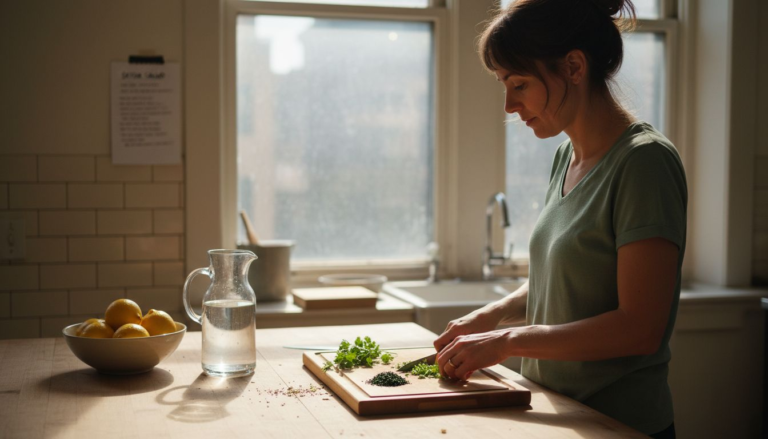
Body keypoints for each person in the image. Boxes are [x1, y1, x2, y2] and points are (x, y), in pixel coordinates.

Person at [433, 0, 687, 438]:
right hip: (557, 412)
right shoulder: (566, 158)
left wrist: (509, 341)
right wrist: (493, 315)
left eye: (520, 84)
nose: (510, 105)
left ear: (573, 67)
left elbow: (640, 328)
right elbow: (567, 279)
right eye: (503, 85)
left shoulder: (645, 163)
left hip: (617, 424)